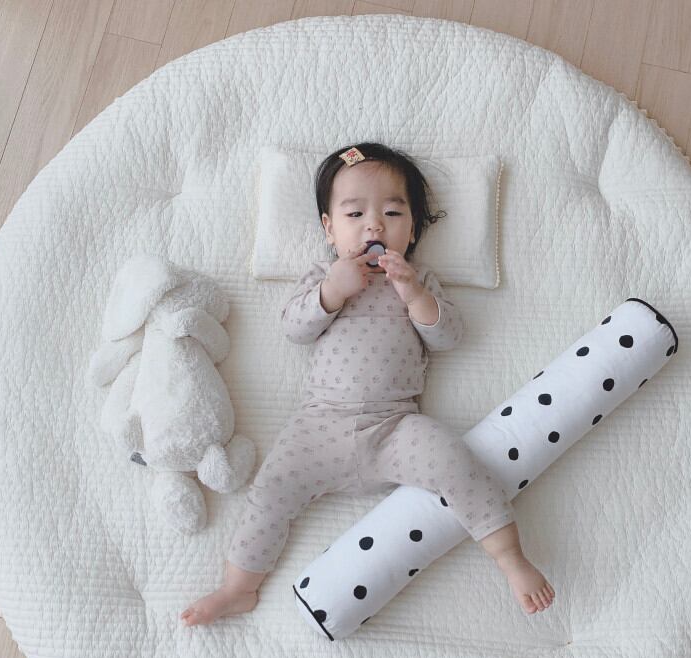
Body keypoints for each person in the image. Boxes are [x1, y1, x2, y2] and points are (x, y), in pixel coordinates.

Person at [181, 143, 554, 627]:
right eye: (355, 214)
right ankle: (238, 587)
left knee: (459, 463)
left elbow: (448, 336)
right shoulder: (322, 275)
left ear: (412, 229)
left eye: (392, 213)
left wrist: (413, 292)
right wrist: (331, 291)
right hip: (320, 425)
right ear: (329, 228)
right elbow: (294, 328)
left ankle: (511, 559)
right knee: (271, 488)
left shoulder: (420, 280)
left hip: (396, 425)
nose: (374, 226)